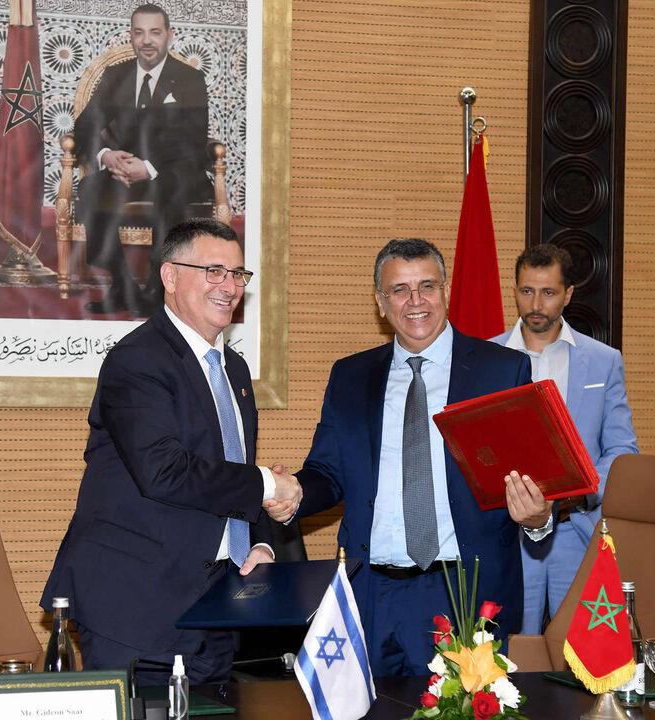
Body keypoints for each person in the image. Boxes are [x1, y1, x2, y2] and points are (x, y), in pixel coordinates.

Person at [41, 218, 302, 683]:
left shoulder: (234, 370)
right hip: (135, 604)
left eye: (238, 274)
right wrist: (267, 482)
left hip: (217, 605)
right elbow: (164, 471)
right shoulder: (138, 360)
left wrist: (260, 540)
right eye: (213, 271)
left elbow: (229, 473)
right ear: (170, 276)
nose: (230, 286)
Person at [284, 238, 555, 678]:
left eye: (427, 286)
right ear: (380, 301)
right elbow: (327, 472)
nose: (415, 301)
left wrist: (537, 516)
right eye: (400, 290)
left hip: (463, 591)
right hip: (370, 592)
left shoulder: (501, 370)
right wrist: (294, 493)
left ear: (445, 291)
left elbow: (536, 475)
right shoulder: (350, 376)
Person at [490, 244, 639, 635]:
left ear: (568, 294)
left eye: (549, 292)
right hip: (505, 532)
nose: (535, 303)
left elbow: (622, 449)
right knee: (509, 652)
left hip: (576, 528)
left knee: (580, 650)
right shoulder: (486, 356)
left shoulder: (603, 360)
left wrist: (579, 492)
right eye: (526, 291)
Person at [72, 3, 211, 316]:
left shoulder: (189, 79)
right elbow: (85, 125)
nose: (147, 40)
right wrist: (106, 156)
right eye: (139, 33)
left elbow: (194, 140)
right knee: (92, 189)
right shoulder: (115, 76)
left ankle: (155, 290)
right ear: (131, 37)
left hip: (174, 172)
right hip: (125, 171)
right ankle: (122, 286)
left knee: (171, 194)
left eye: (155, 32)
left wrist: (148, 169)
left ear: (169, 36)